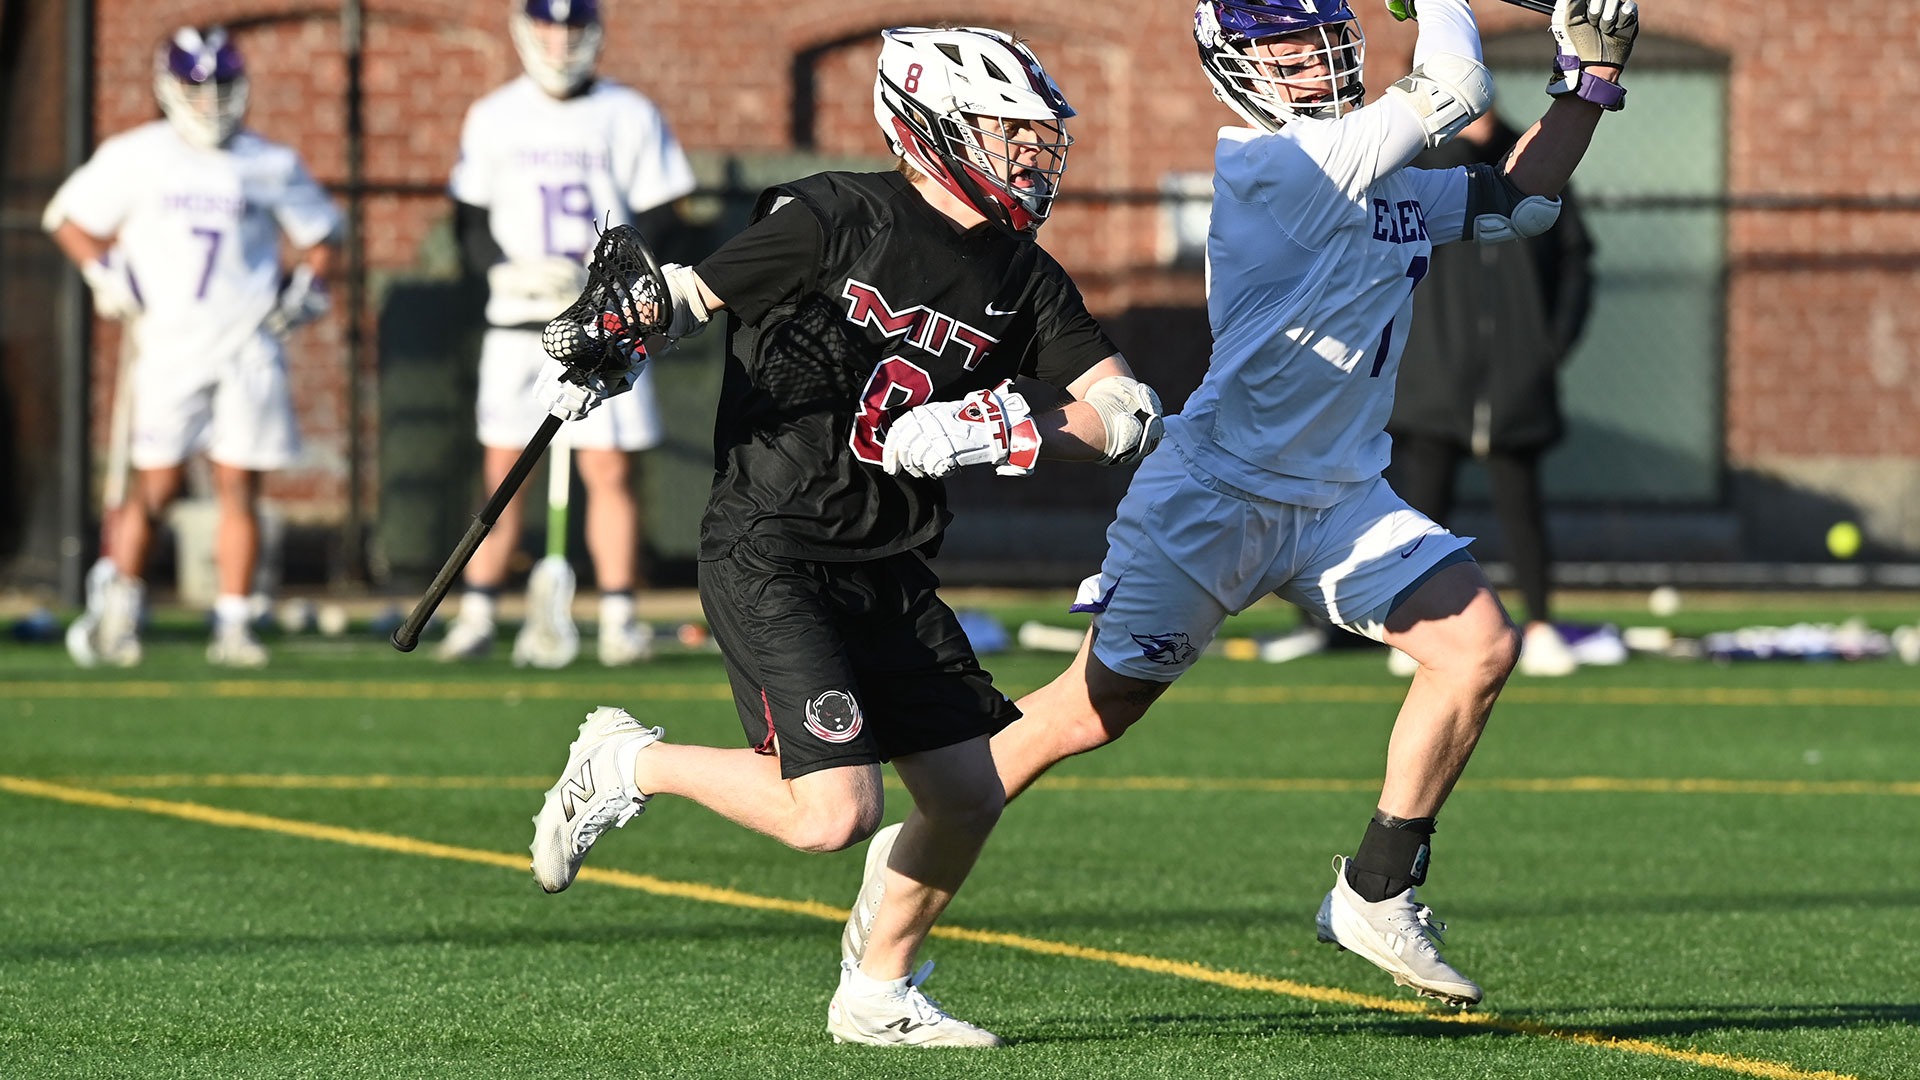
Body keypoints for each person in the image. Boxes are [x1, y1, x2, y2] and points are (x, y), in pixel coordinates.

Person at [847, 0, 1641, 1010]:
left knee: (1478, 647)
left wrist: (1591, 86)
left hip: (1342, 496)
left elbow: (1519, 202)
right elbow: (1456, 89)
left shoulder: (1368, 159)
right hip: (1216, 499)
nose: (1306, 59)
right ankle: (919, 845)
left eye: (1314, 39)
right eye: (1278, 47)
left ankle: (1377, 891)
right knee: (1085, 716)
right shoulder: (1278, 167)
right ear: (1235, 68)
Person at [525, 26, 1164, 1048]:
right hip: (772, 543)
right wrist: (613, 333)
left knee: (968, 792)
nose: (1033, 158)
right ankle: (625, 762)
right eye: (1009, 135)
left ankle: (876, 993)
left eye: (1038, 138)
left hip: (892, 561)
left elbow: (1123, 406)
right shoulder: (835, 216)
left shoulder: (1024, 276)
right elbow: (688, 295)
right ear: (931, 126)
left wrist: (1004, 429)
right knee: (830, 816)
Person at [48, 25, 342, 669]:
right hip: (170, 345)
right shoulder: (138, 154)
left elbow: (321, 237)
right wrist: (104, 272)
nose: (211, 104)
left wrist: (307, 288)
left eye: (222, 88)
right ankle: (121, 601)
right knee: (154, 486)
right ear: (169, 89)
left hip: (247, 346)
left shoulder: (267, 161)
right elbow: (69, 220)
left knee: (239, 486)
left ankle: (234, 619)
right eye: (197, 89)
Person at [435, 0, 697, 666]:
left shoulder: (629, 114)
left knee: (609, 467)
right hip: (518, 319)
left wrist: (616, 282)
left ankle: (617, 616)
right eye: (551, 26)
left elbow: (668, 212)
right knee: (504, 466)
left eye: (574, 26)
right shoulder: (494, 115)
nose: (561, 40)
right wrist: (507, 272)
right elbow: (468, 221)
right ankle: (478, 611)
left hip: (605, 318)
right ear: (526, 30)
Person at [1387, 108, 1596, 678]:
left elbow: (1577, 256)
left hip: (1514, 373)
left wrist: (1550, 345)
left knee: (1522, 507)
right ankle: (1414, 630)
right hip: (1434, 373)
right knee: (1421, 511)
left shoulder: (1532, 156)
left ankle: (1543, 625)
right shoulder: (1414, 164)